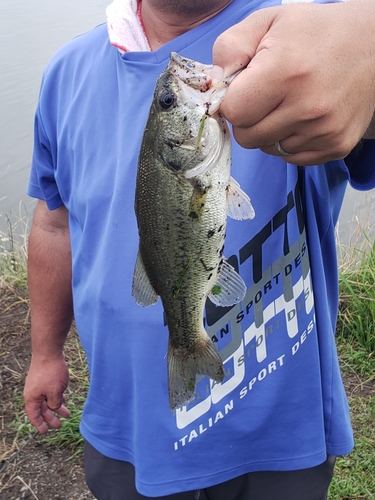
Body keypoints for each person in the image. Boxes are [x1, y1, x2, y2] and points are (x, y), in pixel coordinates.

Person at [23, 0, 375, 498]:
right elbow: (53, 225)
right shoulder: (65, 73)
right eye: (168, 103)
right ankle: (188, 345)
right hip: (127, 428)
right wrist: (44, 354)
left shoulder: (306, 29)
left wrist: (368, 45)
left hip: (276, 431)